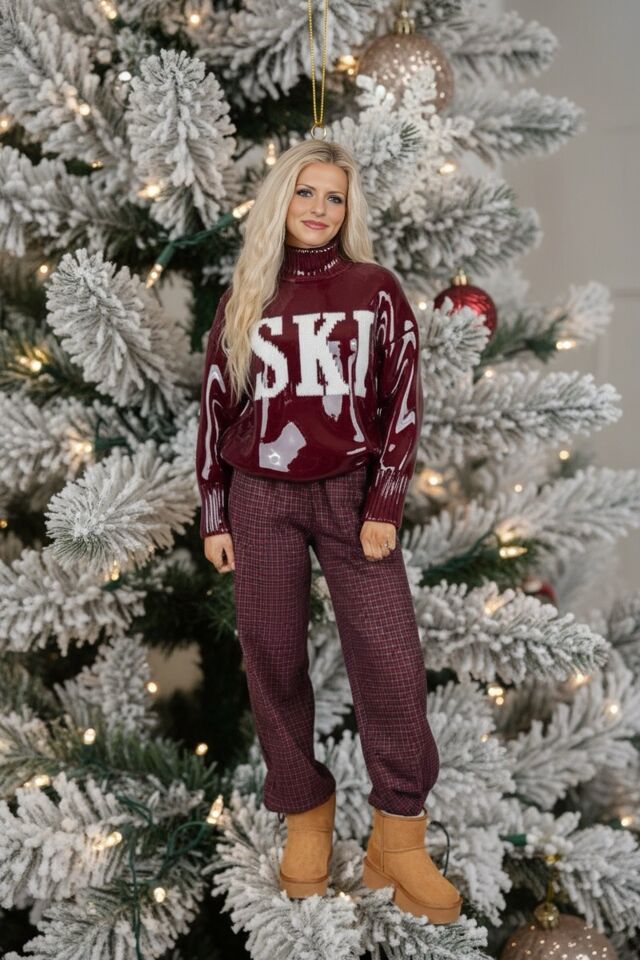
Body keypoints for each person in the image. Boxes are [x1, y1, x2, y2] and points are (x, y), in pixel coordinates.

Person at [195, 139, 461, 923]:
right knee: (271, 654)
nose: (318, 208)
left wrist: (385, 504)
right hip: (260, 496)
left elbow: (401, 403)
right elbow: (215, 404)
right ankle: (304, 817)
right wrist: (214, 509)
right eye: (305, 193)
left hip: (350, 495)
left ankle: (399, 838)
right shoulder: (249, 292)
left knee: (390, 657)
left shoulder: (374, 290)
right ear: (281, 201)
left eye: (334, 197)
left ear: (349, 210)